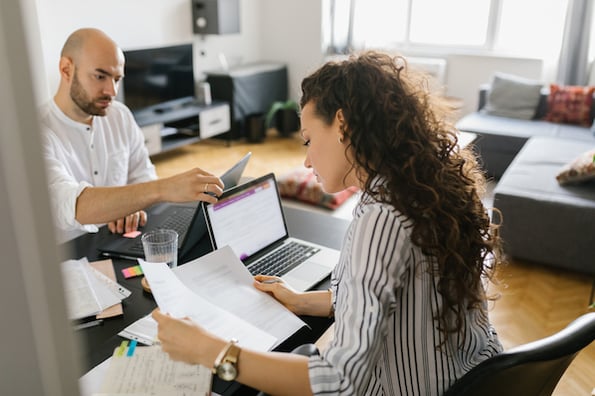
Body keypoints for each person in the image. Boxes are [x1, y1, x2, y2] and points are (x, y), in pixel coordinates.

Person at [151, 51, 504, 395]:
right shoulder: (423, 187)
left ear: (342, 124)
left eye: (307, 139)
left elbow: (337, 382)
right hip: (475, 375)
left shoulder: (383, 218)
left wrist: (211, 351)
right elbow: (401, 296)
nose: (305, 160)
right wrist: (303, 301)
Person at [40, 28, 223, 243]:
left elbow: (142, 173)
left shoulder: (119, 115)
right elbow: (70, 205)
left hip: (121, 241)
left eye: (117, 79)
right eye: (100, 76)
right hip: (70, 258)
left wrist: (131, 205)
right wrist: (163, 188)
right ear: (66, 69)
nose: (112, 91)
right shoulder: (36, 133)